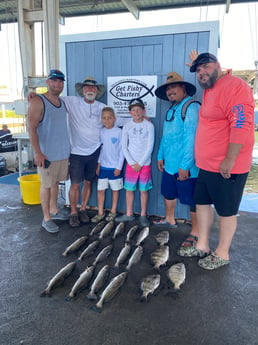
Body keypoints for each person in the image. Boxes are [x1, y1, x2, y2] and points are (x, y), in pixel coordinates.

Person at [178, 52, 255, 270]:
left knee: (226, 211)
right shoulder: (210, 90)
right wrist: (198, 63)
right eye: (198, 70)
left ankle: (222, 253)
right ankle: (202, 245)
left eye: (206, 67)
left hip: (227, 168)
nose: (202, 73)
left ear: (219, 66)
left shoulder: (235, 86)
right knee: (202, 205)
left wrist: (229, 160)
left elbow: (241, 124)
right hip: (206, 166)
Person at [153, 72, 200, 250]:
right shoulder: (171, 109)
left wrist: (185, 165)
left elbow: (192, 139)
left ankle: (195, 232)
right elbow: (166, 137)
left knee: (192, 200)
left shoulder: (191, 107)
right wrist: (160, 155)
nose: (170, 91)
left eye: (174, 87)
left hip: (186, 168)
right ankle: (169, 219)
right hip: (169, 165)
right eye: (168, 89)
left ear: (184, 88)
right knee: (168, 193)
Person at [27, 69, 70, 233]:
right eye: (54, 81)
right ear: (48, 82)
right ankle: (46, 218)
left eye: (60, 81)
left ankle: (54, 210)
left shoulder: (62, 102)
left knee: (55, 183)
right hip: (47, 154)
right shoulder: (38, 101)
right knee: (46, 185)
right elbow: (31, 128)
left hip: (62, 153)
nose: (57, 84)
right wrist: (38, 152)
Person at [61, 77, 107, 227]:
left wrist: (139, 119)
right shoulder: (71, 101)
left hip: (95, 151)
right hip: (76, 152)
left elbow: (116, 120)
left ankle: (83, 209)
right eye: (87, 87)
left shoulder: (102, 107)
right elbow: (51, 98)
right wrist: (35, 96)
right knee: (75, 184)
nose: (90, 90)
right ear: (82, 90)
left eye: (93, 88)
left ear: (97, 91)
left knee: (88, 182)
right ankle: (73, 212)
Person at [115, 98, 155, 228]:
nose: (136, 112)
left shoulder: (149, 125)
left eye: (139, 109)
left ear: (143, 110)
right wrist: (132, 162)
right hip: (131, 164)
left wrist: (141, 163)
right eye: (133, 110)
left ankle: (143, 215)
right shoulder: (127, 126)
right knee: (129, 189)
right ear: (130, 112)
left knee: (144, 190)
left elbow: (150, 146)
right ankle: (129, 213)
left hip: (145, 163)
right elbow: (124, 146)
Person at [91, 107, 124, 223]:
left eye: (109, 118)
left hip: (114, 167)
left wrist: (118, 167)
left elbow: (122, 151)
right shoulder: (101, 131)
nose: (107, 120)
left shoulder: (119, 132)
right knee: (101, 190)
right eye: (104, 118)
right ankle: (100, 212)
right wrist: (99, 164)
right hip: (103, 167)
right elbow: (101, 148)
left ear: (114, 118)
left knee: (115, 190)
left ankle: (113, 211)